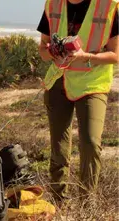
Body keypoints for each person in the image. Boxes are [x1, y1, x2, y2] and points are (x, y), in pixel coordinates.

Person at [37, 0, 119, 202]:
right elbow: (42, 51)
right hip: (58, 81)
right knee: (59, 145)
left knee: (90, 143)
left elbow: (116, 54)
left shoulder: (109, 6)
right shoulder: (53, 5)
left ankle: (86, 203)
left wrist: (85, 56)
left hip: (92, 84)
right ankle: (58, 201)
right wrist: (53, 52)